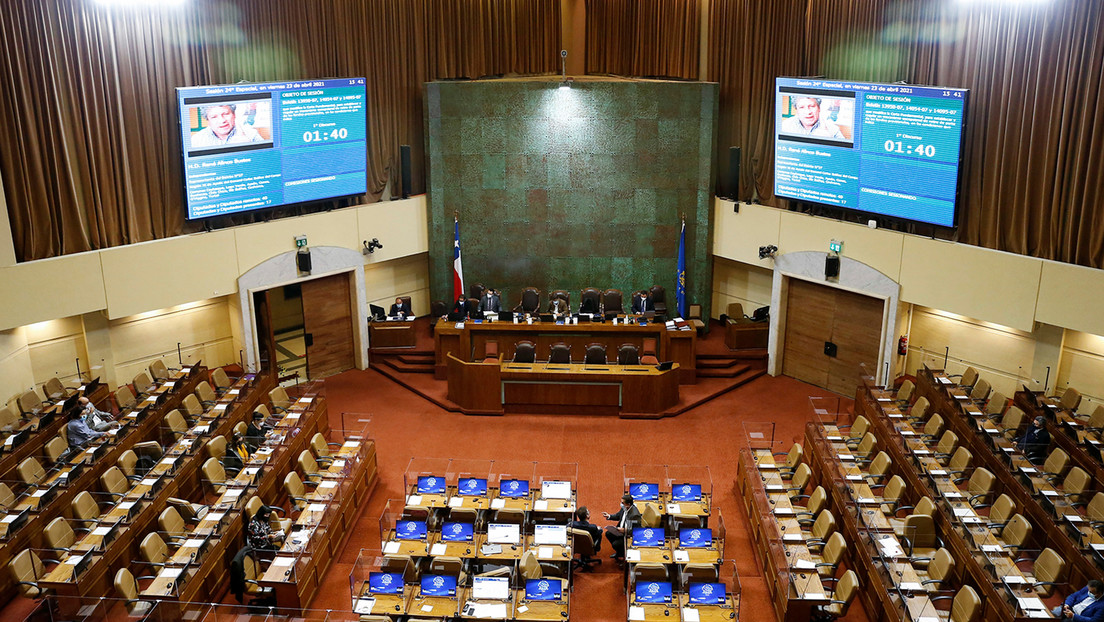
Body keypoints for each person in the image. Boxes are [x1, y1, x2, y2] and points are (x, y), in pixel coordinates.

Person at [190, 104, 264, 149]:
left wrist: (250, 148)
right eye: (214, 117)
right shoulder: (196, 140)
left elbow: (268, 162)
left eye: (225, 114)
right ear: (208, 120)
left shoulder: (251, 134)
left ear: (234, 115)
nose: (222, 120)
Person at [780, 96, 845, 139]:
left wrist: (829, 141)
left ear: (819, 108)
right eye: (802, 107)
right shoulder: (785, 126)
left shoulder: (833, 130)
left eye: (812, 106)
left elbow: (845, 156)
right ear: (796, 110)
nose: (808, 112)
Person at [602, 494, 641, 560]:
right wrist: (609, 516)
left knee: (615, 544)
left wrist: (625, 530)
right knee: (608, 534)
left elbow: (636, 530)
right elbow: (618, 515)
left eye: (622, 503)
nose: (621, 504)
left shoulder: (634, 515)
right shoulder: (624, 508)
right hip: (620, 530)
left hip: (628, 535)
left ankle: (622, 554)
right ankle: (620, 552)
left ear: (628, 504)